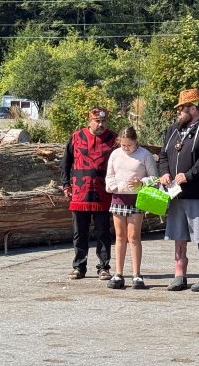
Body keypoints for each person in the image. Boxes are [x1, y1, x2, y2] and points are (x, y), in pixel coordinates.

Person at [158, 88, 199, 292]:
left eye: (182, 109)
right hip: (176, 193)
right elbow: (164, 156)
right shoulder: (173, 130)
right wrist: (165, 173)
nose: (178, 112)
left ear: (193, 108)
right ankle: (180, 275)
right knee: (178, 234)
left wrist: (189, 175)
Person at [60, 107, 118, 280]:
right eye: (97, 121)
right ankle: (79, 266)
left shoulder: (113, 139)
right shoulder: (76, 137)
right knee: (80, 232)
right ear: (89, 120)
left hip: (103, 193)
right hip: (79, 192)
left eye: (103, 121)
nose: (100, 124)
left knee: (103, 232)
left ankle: (104, 267)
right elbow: (65, 163)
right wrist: (65, 184)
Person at [104, 125, 158, 290]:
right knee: (120, 236)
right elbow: (110, 175)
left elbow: (155, 178)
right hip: (119, 198)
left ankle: (137, 274)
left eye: (129, 145)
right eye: (123, 145)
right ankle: (118, 273)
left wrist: (141, 183)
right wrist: (116, 187)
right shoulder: (115, 154)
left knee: (133, 236)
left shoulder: (144, 155)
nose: (126, 148)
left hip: (137, 199)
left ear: (136, 142)